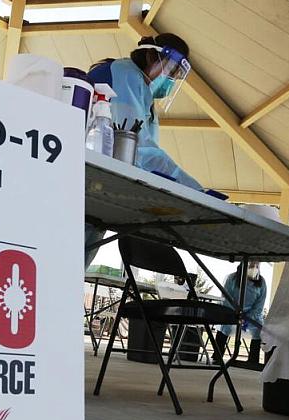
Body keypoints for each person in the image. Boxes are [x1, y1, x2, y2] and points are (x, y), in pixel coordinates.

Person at [84, 34, 202, 267]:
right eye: (171, 70)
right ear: (151, 55)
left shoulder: (141, 91)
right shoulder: (126, 76)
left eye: (176, 76)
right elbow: (138, 150)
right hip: (88, 182)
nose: (170, 80)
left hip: (98, 190)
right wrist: (193, 190)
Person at [214, 263, 266, 368]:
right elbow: (226, 297)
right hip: (231, 312)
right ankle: (217, 356)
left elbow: (259, 304)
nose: (254, 268)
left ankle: (253, 359)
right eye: (251, 265)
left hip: (251, 316)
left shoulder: (261, 282)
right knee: (225, 327)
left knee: (259, 330)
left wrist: (248, 317)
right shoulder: (232, 278)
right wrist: (236, 313)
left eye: (256, 265)